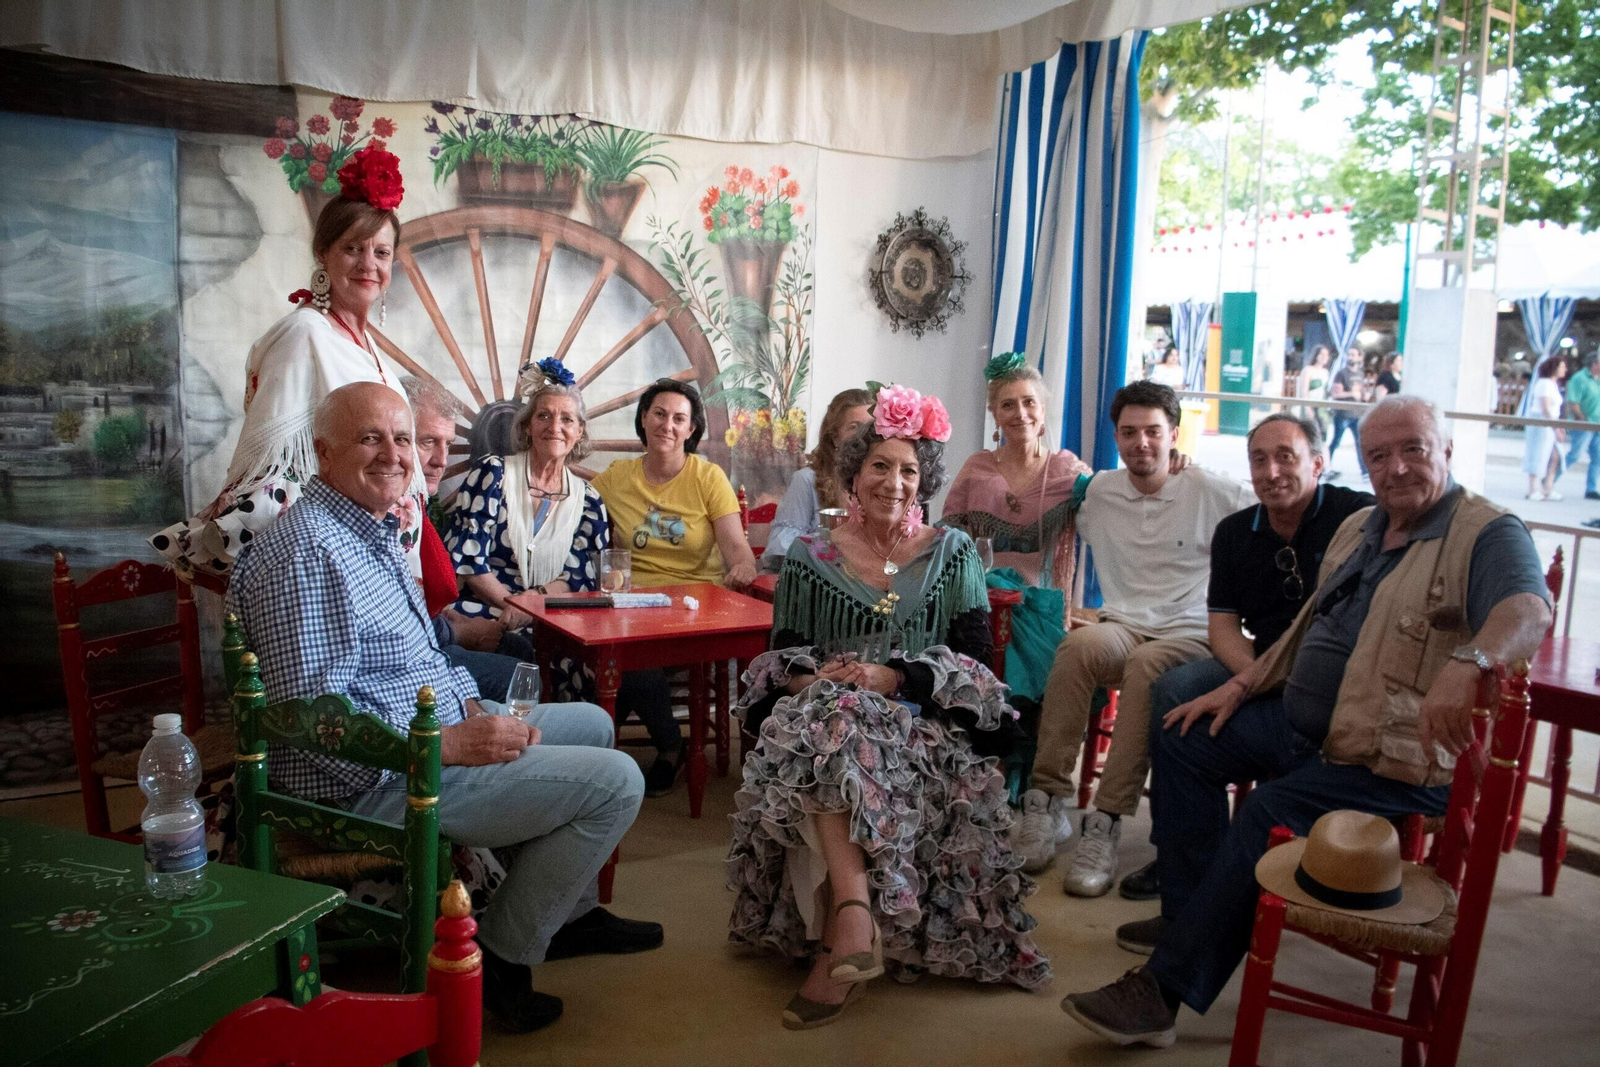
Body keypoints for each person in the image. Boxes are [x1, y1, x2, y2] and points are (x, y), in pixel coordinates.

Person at [1061, 395, 1552, 1050]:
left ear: (1448, 450)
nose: (1396, 467)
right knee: (1184, 731)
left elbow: (1529, 607)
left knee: (1265, 812)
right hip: (1307, 725)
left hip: (1387, 757)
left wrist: (1472, 661)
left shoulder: (1484, 531)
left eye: (1413, 448)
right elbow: (1304, 632)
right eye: (1379, 454)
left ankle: (1162, 990)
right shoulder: (1368, 528)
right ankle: (1192, 918)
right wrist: (1238, 685)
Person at [229, 381, 663, 1034]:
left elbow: (418, 659)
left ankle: (563, 916)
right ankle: (500, 960)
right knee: (619, 782)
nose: (395, 454)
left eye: (402, 438)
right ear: (323, 450)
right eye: (370, 437)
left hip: (427, 733)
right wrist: (451, 745)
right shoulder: (308, 552)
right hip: (374, 779)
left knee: (598, 723)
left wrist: (468, 706)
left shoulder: (366, 528)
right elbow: (314, 723)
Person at [727, 384, 1049, 1030]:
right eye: (879, 465)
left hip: (922, 724)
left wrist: (890, 675)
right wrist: (819, 679)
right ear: (853, 472)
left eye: (908, 469)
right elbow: (782, 657)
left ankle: (843, 930)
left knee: (831, 729)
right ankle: (853, 916)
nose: (894, 482)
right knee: (831, 721)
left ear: (923, 478)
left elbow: (978, 670)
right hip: (823, 714)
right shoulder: (810, 558)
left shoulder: (951, 554)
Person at [1112, 413, 1374, 909]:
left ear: (1318, 463)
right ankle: (1179, 855)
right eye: (1259, 459)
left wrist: (1253, 685)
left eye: (1286, 457)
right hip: (1259, 663)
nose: (1271, 471)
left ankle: (1210, 859)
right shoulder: (1236, 531)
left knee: (1202, 712)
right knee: (1176, 691)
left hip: (1332, 678)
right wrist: (1257, 678)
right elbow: (1224, 628)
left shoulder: (1356, 518)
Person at [1020, 381, 1255, 888]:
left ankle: (1104, 821)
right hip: (1124, 623)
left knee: (1147, 669)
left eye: (1153, 431)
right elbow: (1031, 496)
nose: (1141, 443)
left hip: (1193, 631)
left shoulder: (1215, 491)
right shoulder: (1100, 491)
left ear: (1174, 434)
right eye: (1129, 433)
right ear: (1117, 437)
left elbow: (1279, 518)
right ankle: (1048, 801)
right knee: (1078, 647)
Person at [151, 147, 425, 578]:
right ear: (324, 253)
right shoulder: (304, 334)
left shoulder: (370, 349)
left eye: (382, 253)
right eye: (353, 248)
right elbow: (271, 467)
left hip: (372, 552)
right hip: (326, 555)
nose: (369, 265)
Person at [592, 379, 759, 795]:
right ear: (644, 420)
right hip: (630, 607)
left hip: (692, 606)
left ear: (691, 429)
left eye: (679, 418)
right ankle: (667, 745)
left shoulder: (708, 477)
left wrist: (741, 568)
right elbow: (574, 521)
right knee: (620, 658)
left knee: (626, 666)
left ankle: (619, 749)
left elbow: (738, 549)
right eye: (659, 414)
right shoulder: (615, 477)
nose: (667, 424)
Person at [403, 374, 535, 702]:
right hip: (409, 655)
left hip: (438, 626)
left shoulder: (415, 505)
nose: (442, 461)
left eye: (447, 444)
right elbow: (392, 626)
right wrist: (461, 630)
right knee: (519, 673)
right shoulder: (390, 512)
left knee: (522, 651)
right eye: (427, 441)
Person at [762, 387, 873, 571]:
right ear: (835, 438)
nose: (863, 436)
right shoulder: (806, 480)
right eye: (854, 427)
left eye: (869, 427)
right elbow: (782, 555)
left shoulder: (882, 484)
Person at [1521, 356, 1568, 502]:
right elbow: (1545, 407)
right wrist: (1556, 427)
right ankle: (1532, 489)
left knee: (1555, 456)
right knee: (1538, 454)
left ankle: (1548, 487)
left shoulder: (1554, 384)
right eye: (1562, 367)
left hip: (1551, 422)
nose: (1565, 370)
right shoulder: (1544, 383)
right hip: (1541, 423)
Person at [1562, 351, 1600, 500]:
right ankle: (1550, 478)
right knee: (1575, 455)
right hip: (1584, 423)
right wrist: (1582, 419)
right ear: (1595, 364)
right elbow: (1573, 402)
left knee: (1598, 458)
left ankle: (1591, 489)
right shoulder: (1580, 378)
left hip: (1597, 424)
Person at [1327, 351, 1367, 479]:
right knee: (1336, 441)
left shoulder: (1360, 374)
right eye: (1349, 354)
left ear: (1359, 357)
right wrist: (1351, 394)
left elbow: (1361, 391)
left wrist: (1364, 396)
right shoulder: (1341, 374)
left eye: (1354, 355)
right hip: (1343, 414)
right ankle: (1325, 466)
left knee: (1360, 443)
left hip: (1357, 414)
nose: (1351, 357)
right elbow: (1335, 394)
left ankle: (1365, 471)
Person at [1298, 345, 1332, 433]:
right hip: (1310, 404)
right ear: (1316, 355)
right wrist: (1307, 407)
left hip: (1321, 407)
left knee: (1322, 431)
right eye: (1322, 354)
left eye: (1326, 355)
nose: (1324, 357)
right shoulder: (1308, 370)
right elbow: (1304, 391)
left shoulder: (1326, 372)